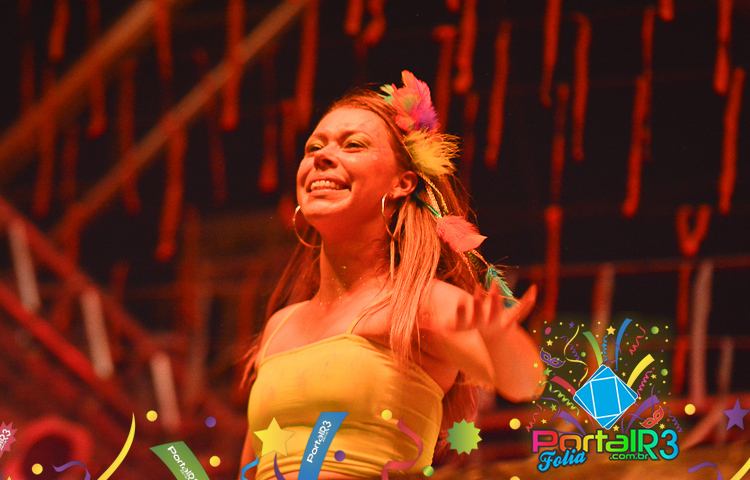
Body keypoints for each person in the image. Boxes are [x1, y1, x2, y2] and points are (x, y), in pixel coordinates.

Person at [239, 71, 542, 480]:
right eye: (314, 147)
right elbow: (250, 467)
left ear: (402, 184)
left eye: (353, 144)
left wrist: (498, 337)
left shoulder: (418, 303)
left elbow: (526, 384)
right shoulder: (280, 325)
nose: (322, 157)